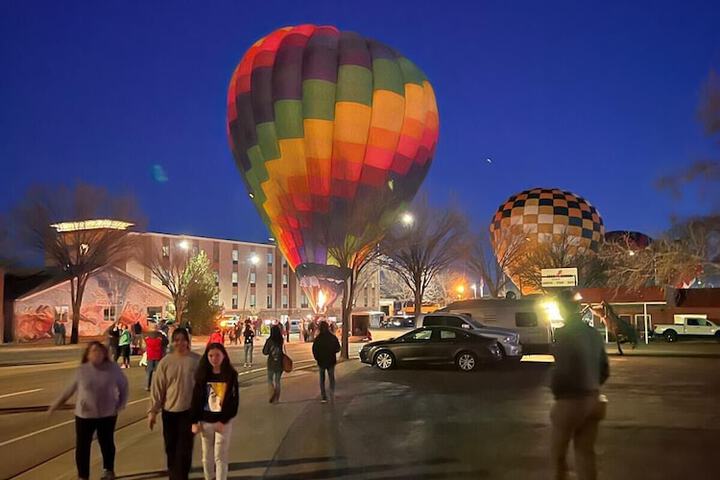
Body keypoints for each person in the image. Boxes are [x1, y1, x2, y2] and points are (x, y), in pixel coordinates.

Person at [550, 291, 610, 480]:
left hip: (570, 402)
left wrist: (557, 391)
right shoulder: (593, 333)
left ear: (561, 309)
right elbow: (605, 369)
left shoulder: (563, 334)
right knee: (585, 454)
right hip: (593, 400)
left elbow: (563, 370)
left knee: (558, 455)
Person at [49, 341, 128, 480]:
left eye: (99, 350)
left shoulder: (113, 368)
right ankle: (83, 475)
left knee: (107, 443)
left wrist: (120, 405)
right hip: (84, 415)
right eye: (93, 351)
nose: (96, 353)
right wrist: (55, 405)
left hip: (107, 414)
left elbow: (124, 387)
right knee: (83, 447)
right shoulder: (82, 370)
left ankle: (108, 470)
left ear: (104, 353)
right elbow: (69, 390)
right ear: (88, 354)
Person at [148, 328, 200, 480]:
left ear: (187, 341)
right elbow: (157, 388)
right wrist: (153, 412)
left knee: (184, 449)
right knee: (170, 448)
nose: (180, 343)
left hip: (189, 412)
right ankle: (173, 474)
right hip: (169, 412)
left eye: (182, 339)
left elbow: (204, 387)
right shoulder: (165, 362)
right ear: (172, 342)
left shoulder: (197, 361)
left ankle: (181, 476)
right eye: (176, 340)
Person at [190, 343, 239, 480]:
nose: (214, 358)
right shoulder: (202, 374)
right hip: (205, 421)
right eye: (211, 355)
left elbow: (234, 402)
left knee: (220, 456)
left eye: (217, 355)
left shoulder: (230, 375)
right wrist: (194, 421)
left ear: (224, 355)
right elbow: (196, 399)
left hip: (223, 423)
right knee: (206, 456)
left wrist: (223, 420)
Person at [312, 321, 341, 403]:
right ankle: (332, 393)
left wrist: (317, 358)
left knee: (322, 379)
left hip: (321, 361)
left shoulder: (318, 339)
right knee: (331, 378)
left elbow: (314, 350)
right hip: (331, 360)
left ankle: (323, 396)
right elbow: (338, 348)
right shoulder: (332, 337)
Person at [262, 325, 286, 403]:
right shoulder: (281, 340)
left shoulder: (269, 340)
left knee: (270, 380)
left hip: (271, 363)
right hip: (279, 363)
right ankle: (277, 399)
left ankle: (272, 394)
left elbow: (265, 352)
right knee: (278, 381)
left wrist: (270, 350)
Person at [144, 322, 167, 391]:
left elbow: (143, 344)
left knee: (149, 372)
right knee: (158, 372)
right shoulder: (160, 335)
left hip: (150, 355)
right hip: (158, 355)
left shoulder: (146, 336)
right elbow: (166, 342)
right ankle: (158, 386)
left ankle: (147, 385)